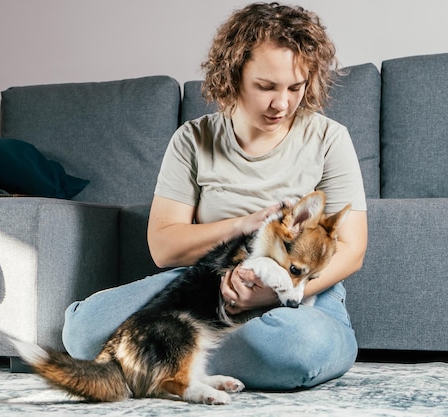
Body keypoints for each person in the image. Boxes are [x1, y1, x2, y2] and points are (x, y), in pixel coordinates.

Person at [62, 1, 368, 390]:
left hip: (300, 295)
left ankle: (166, 361)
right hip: (207, 283)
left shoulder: (329, 138)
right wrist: (245, 225)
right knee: (84, 331)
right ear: (234, 75)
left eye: (296, 87)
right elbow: (164, 247)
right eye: (266, 87)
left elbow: (353, 248)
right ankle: (187, 359)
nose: (283, 103)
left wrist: (277, 294)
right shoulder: (193, 139)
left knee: (296, 348)